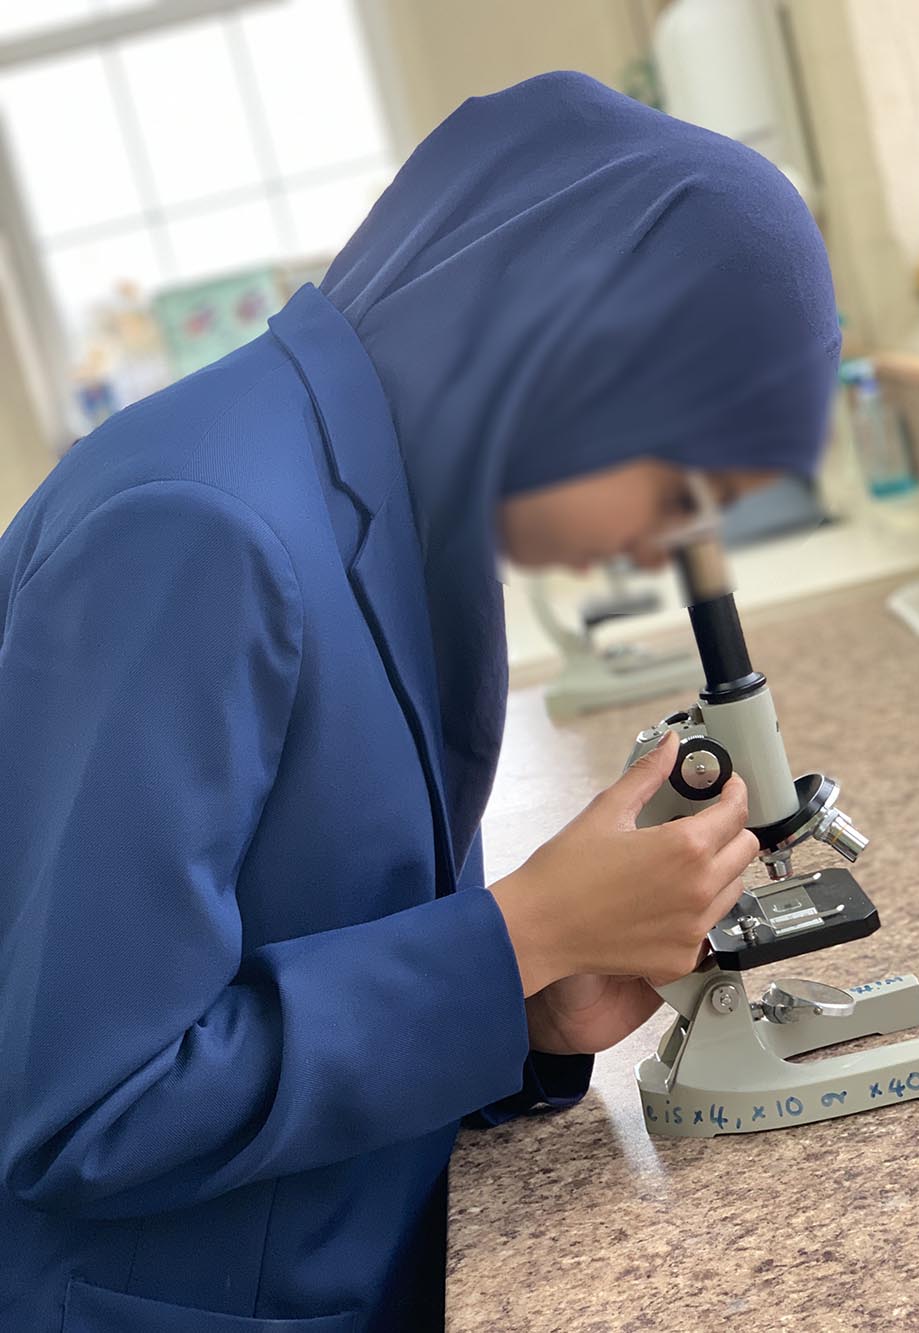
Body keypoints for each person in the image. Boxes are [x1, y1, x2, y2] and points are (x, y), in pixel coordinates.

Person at [0, 73, 840, 1332]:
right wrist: (519, 930)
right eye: (682, 487)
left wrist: (532, 1007)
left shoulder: (396, 510)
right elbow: (82, 1108)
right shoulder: (200, 529)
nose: (663, 546)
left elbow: (305, 952)